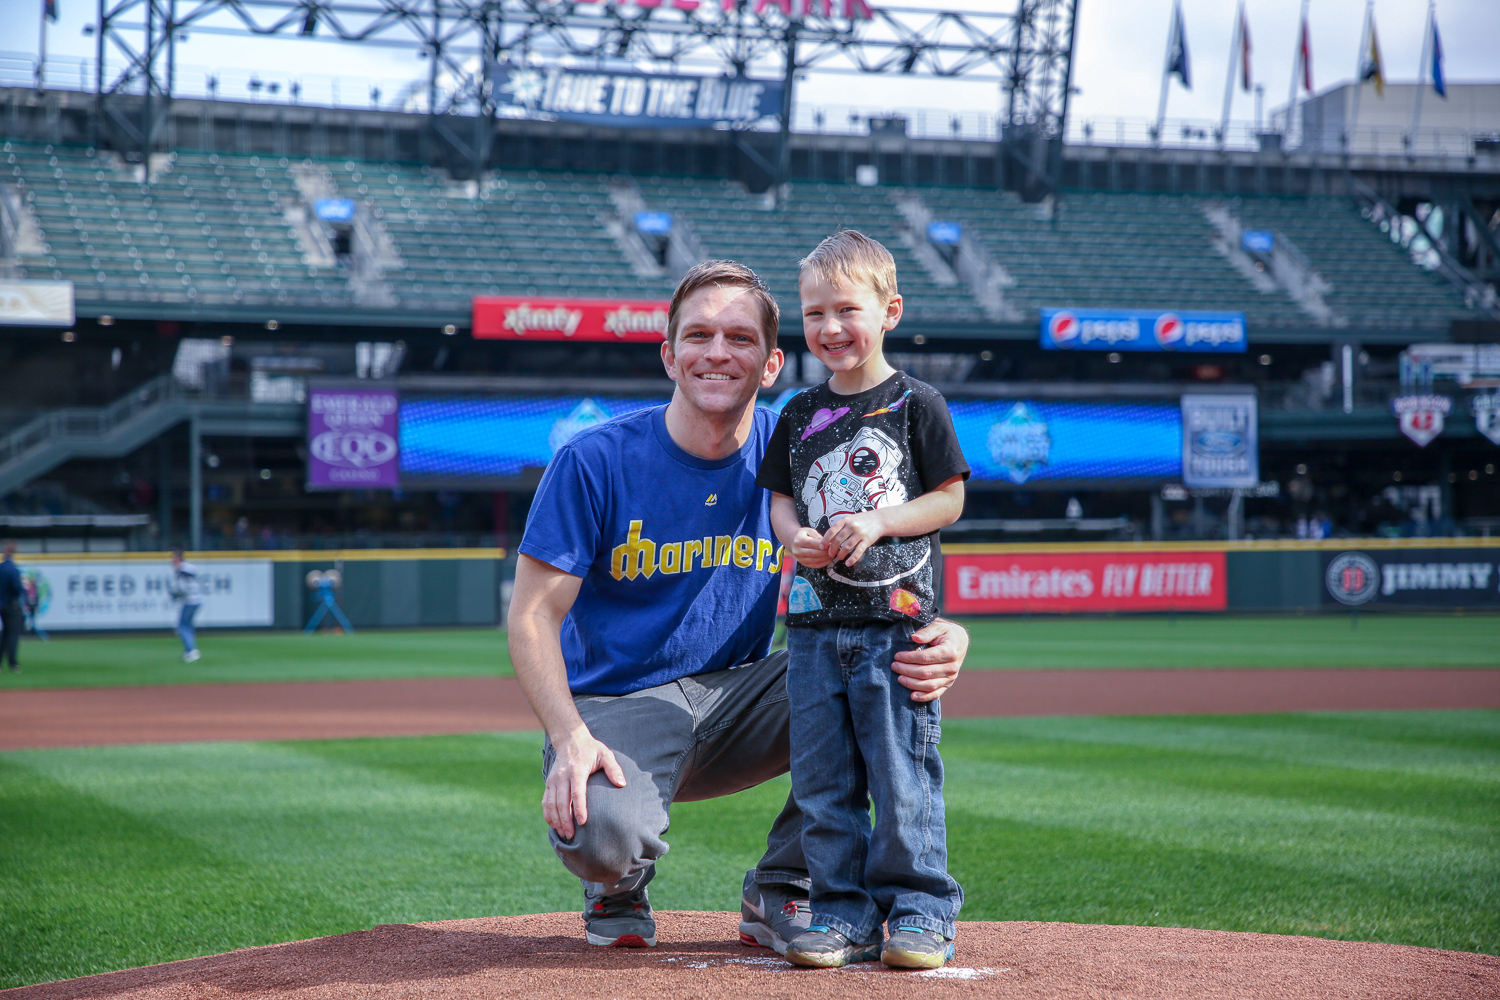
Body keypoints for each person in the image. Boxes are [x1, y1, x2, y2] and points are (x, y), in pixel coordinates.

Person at [507, 259, 969, 953]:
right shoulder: (594, 460)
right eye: (697, 336)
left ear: (773, 363)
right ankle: (615, 885)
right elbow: (532, 615)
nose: (716, 353)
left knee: (886, 668)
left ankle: (784, 883)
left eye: (739, 339)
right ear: (669, 354)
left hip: (746, 699)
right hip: (619, 705)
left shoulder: (806, 449)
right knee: (601, 837)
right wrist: (570, 737)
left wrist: (942, 630)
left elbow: (889, 553)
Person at [757, 230, 968, 971]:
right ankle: (842, 913)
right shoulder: (798, 411)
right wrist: (795, 539)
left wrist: (878, 520)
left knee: (902, 774)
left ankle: (920, 910)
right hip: (813, 628)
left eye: (847, 309)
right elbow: (781, 505)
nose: (830, 328)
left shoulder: (917, 402)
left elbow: (949, 499)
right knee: (822, 782)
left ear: (890, 310)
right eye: (814, 314)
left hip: (896, 625)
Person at [169, 550, 203, 663]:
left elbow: (182, 589)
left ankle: (191, 650)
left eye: (173, 559)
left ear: (178, 559)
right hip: (197, 600)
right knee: (187, 626)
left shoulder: (180, 571)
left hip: (189, 601)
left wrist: (175, 595)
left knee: (182, 626)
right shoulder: (191, 567)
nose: (172, 562)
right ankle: (190, 649)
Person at [1, 541, 24, 673]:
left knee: (4, 633)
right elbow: (17, 588)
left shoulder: (0, 567)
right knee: (13, 633)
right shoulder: (13, 569)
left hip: (1, 604)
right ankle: (12, 662)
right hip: (11, 605)